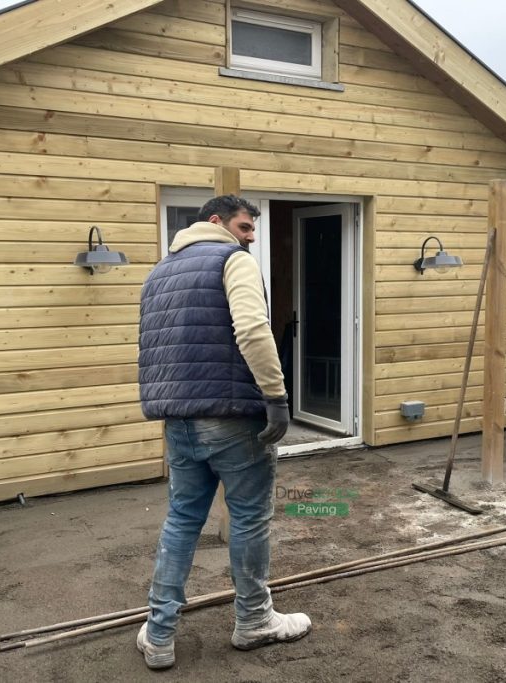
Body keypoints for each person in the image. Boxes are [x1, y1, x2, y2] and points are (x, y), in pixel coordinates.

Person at [135, 195, 311, 670]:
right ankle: (254, 620)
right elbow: (253, 330)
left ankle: (158, 634)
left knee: (182, 519)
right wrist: (276, 399)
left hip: (180, 421)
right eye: (245, 226)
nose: (251, 236)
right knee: (250, 518)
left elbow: (156, 350)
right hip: (233, 417)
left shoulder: (159, 274)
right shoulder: (231, 260)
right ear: (215, 222)